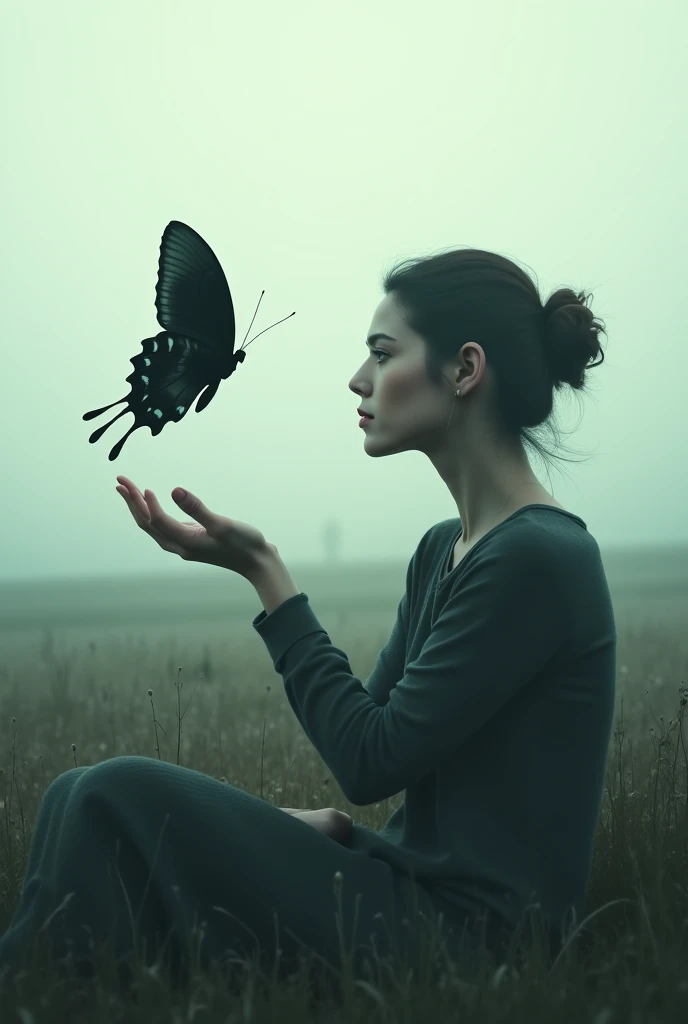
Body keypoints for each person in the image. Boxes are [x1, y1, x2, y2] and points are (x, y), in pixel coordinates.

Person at [0, 247, 615, 996]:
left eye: (382, 354)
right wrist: (344, 835)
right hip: (399, 890)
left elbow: (369, 760)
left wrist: (267, 575)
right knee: (73, 790)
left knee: (111, 796)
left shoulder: (540, 559)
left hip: (474, 947)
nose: (359, 379)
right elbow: (377, 738)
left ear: (464, 370)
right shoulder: (443, 551)